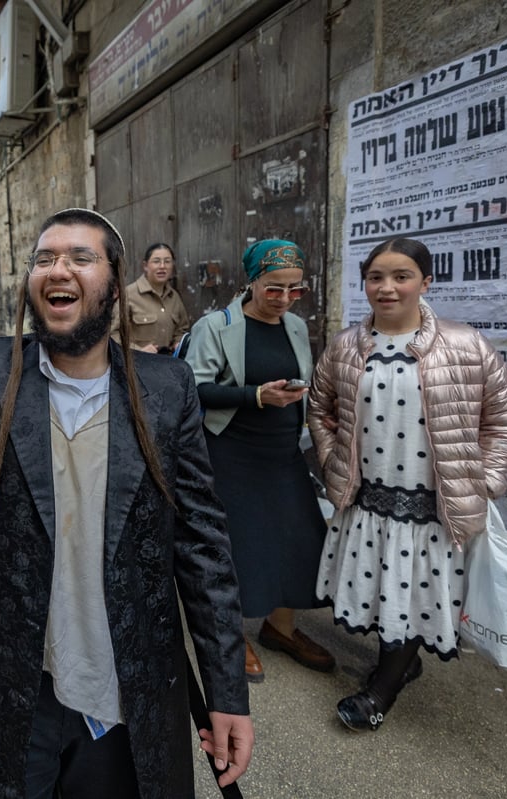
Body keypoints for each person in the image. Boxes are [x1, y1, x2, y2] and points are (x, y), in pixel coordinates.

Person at [0, 208, 252, 797]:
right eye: (45, 258)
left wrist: (227, 694)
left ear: (114, 279)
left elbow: (203, 548)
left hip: (121, 685)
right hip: (11, 682)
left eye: (80, 257)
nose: (58, 270)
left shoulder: (166, 388)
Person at [308, 237, 507, 731]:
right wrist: (330, 457)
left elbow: (506, 416)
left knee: (410, 593)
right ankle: (404, 662)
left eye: (401, 276)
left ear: (425, 282)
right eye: (376, 277)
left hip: (432, 505)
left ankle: (382, 688)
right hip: (367, 500)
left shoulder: (465, 344)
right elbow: (320, 408)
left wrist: (486, 478)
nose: (387, 288)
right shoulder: (345, 346)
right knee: (385, 589)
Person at [183, 239, 333, 683]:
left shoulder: (296, 327)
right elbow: (194, 388)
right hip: (233, 452)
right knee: (239, 548)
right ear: (252, 283)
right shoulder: (217, 326)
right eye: (274, 289)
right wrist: (257, 396)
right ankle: (232, 636)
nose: (284, 300)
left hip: (283, 453)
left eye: (295, 290)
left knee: (301, 540)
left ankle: (280, 628)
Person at [112, 242, 191, 353]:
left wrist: (178, 343)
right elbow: (113, 334)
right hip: (138, 364)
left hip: (169, 364)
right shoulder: (128, 295)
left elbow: (182, 330)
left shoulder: (174, 297)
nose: (162, 266)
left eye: (167, 261)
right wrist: (139, 350)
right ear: (145, 265)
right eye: (156, 261)